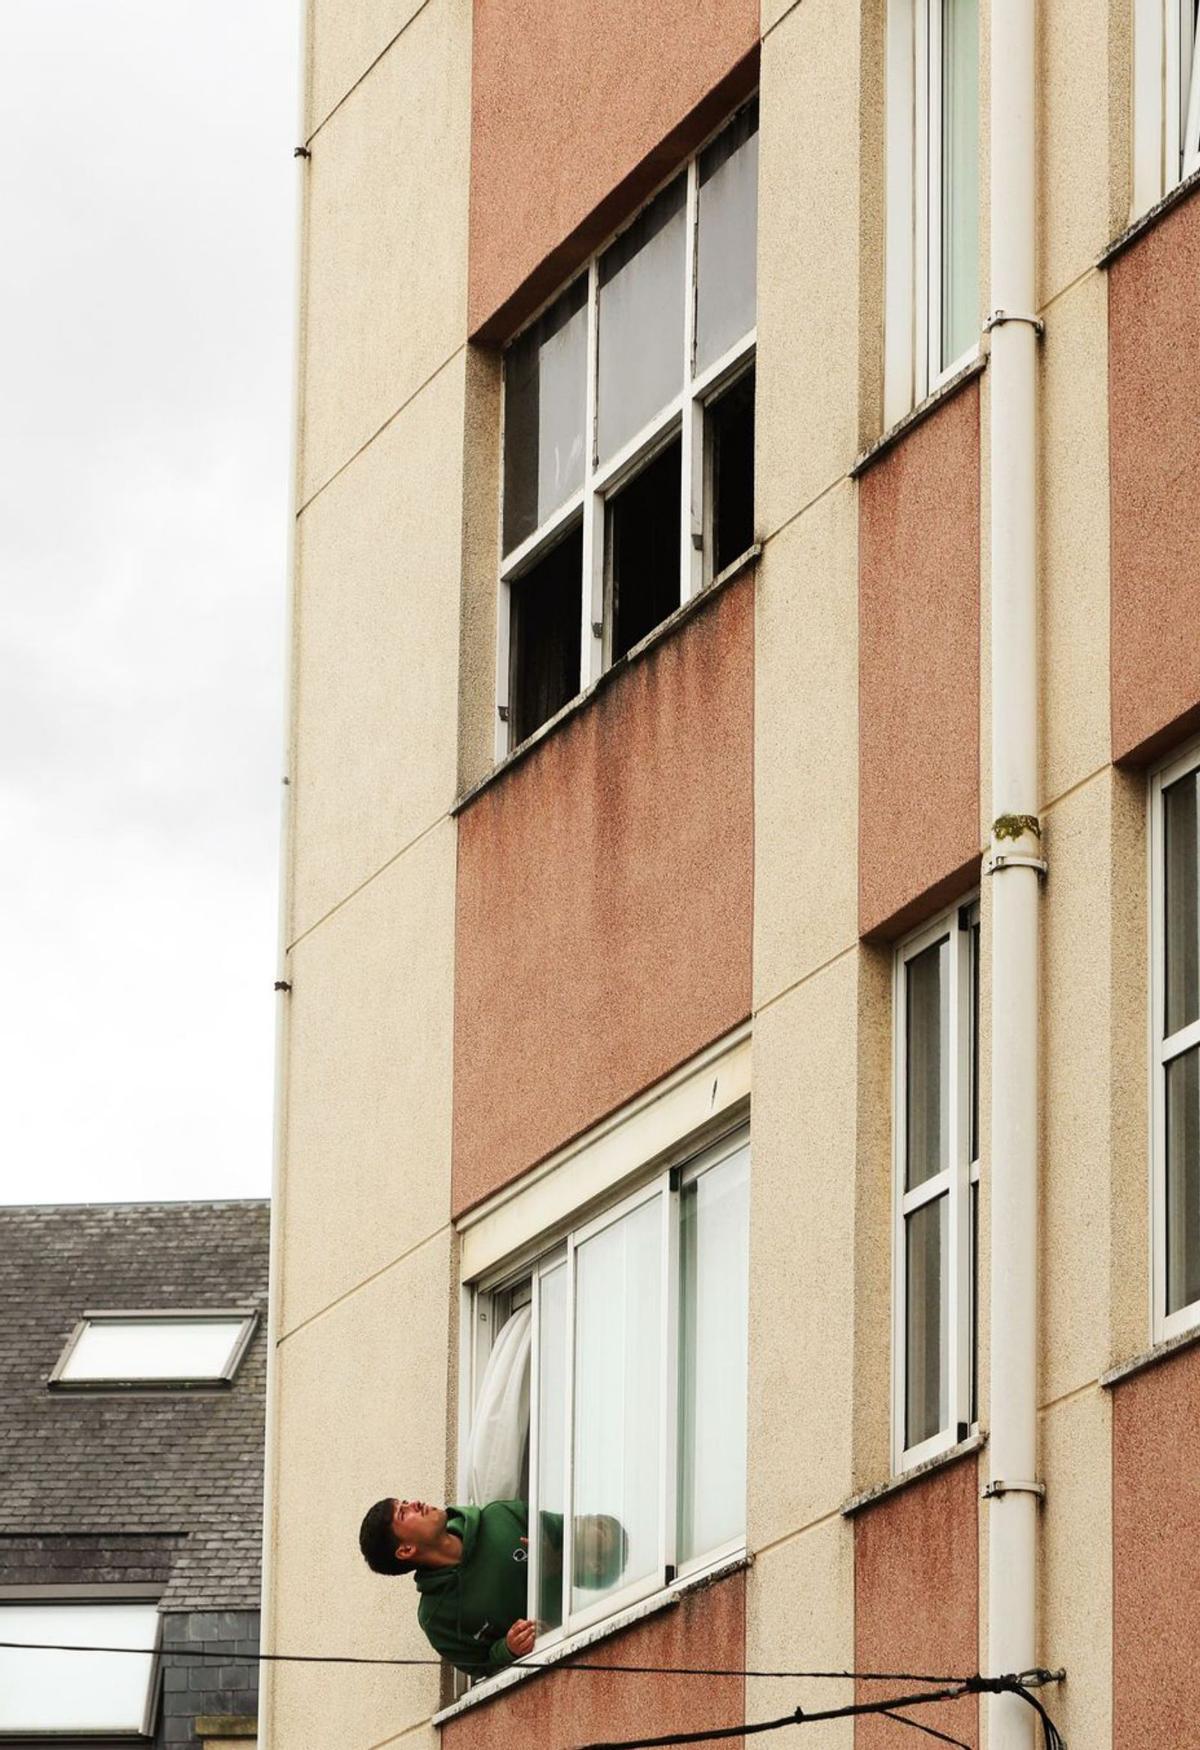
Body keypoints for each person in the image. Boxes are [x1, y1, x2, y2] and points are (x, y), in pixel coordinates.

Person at [358, 1496, 626, 1678]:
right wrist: (508, 1649)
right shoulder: (437, 1618)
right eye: (404, 1512)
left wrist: (558, 1562)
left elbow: (593, 1544)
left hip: (600, 1639)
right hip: (560, 1676)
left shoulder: (501, 1516)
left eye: (406, 1502)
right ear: (406, 1550)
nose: (415, 1503)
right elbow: (482, 1666)